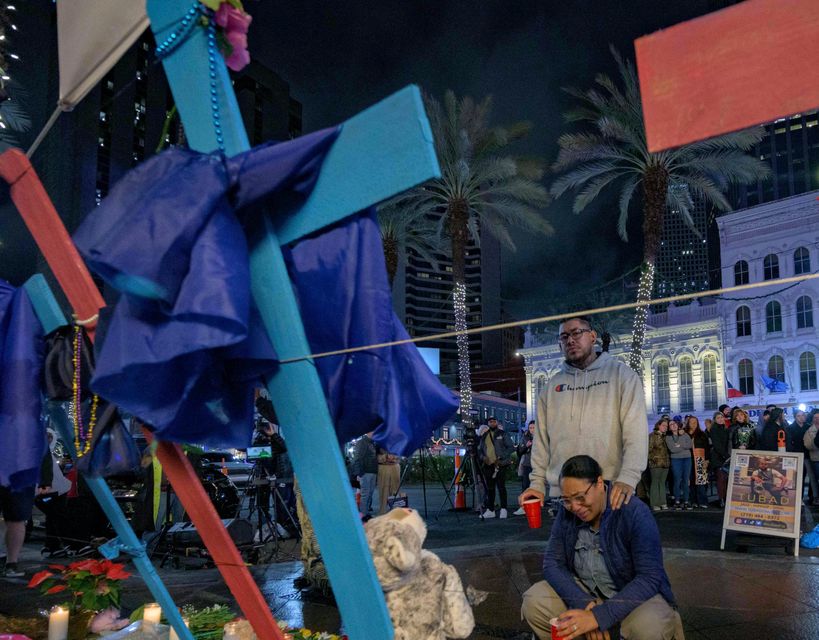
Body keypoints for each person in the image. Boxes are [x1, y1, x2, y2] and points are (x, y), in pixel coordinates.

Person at [521, 455, 682, 640]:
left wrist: (598, 617)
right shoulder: (566, 513)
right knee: (535, 601)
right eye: (566, 500)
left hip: (630, 597)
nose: (574, 507)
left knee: (648, 626)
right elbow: (552, 564)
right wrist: (583, 604)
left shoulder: (634, 511)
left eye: (580, 497)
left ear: (599, 483)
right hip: (587, 594)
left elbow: (649, 577)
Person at [519, 316, 648, 513]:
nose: (570, 340)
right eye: (564, 337)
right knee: (564, 545)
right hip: (564, 496)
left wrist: (628, 477)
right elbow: (541, 442)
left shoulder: (622, 376)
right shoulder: (551, 387)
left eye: (577, 333)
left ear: (593, 337)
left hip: (610, 492)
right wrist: (536, 484)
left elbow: (635, 432)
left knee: (613, 544)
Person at [35, 428, 73, 557]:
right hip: (47, 492)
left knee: (53, 518)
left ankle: (52, 546)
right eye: (46, 436)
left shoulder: (47, 453)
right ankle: (64, 544)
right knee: (57, 517)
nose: (48, 439)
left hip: (57, 491)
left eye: (50, 436)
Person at [478, 417, 515, 519]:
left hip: (500, 464)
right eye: (490, 422)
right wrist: (483, 458)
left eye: (494, 421)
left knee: (501, 487)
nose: (492, 423)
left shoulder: (502, 434)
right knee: (490, 489)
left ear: (497, 423)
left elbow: (511, 447)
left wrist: (501, 456)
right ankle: (491, 510)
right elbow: (480, 450)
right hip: (488, 465)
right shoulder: (485, 435)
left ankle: (503, 509)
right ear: (488, 423)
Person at [351, 432, 378, 519]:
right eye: (373, 431)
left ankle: (366, 513)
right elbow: (357, 458)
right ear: (369, 432)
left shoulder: (372, 443)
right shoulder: (362, 442)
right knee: (365, 494)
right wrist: (360, 473)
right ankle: (363, 515)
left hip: (372, 472)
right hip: (365, 473)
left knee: (369, 494)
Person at [666, 420, 692, 510]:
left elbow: (690, 445)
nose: (673, 425)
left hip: (687, 459)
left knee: (686, 480)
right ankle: (677, 501)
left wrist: (678, 445)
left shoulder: (684, 434)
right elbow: (672, 449)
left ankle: (686, 501)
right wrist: (682, 445)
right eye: (671, 424)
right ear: (669, 427)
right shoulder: (668, 437)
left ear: (678, 425)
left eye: (674, 423)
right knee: (677, 480)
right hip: (676, 460)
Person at [685, 417, 710, 509]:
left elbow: (707, 448)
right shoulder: (685, 434)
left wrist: (707, 460)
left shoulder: (702, 434)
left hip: (700, 460)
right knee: (690, 481)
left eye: (695, 422)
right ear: (688, 423)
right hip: (688, 460)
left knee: (701, 481)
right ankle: (693, 501)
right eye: (691, 422)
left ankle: (702, 501)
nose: (693, 423)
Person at [709, 410, 731, 508]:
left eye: (722, 417)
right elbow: (717, 445)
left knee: (726, 479)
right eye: (718, 418)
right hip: (718, 458)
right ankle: (721, 499)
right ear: (714, 420)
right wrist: (726, 455)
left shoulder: (725, 429)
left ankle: (726, 498)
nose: (721, 419)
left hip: (725, 456)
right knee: (721, 479)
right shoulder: (714, 429)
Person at [513, 421, 536, 516]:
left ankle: (534, 506)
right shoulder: (525, 437)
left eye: (534, 428)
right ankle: (524, 507)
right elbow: (520, 451)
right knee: (526, 486)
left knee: (536, 487)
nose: (532, 430)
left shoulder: (542, 437)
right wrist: (526, 447)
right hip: (527, 464)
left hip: (538, 464)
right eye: (530, 427)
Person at [648, 419, 670, 512]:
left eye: (666, 426)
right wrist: (652, 459)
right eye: (663, 425)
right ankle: (655, 503)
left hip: (665, 463)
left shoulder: (665, 436)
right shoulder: (652, 436)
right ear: (658, 425)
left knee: (662, 483)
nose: (665, 427)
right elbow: (648, 449)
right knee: (655, 483)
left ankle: (663, 502)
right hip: (656, 463)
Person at [376, 446, 401, 515]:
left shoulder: (397, 443)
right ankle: (383, 512)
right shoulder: (379, 442)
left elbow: (400, 456)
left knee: (395, 491)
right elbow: (376, 457)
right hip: (383, 469)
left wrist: (394, 457)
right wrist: (386, 456)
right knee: (384, 490)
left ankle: (395, 511)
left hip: (395, 468)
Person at [803, 410, 819, 506]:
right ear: (813, 419)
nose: (817, 420)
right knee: (816, 480)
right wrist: (817, 444)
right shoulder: (809, 430)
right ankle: (816, 498)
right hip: (815, 459)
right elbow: (808, 445)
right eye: (815, 418)